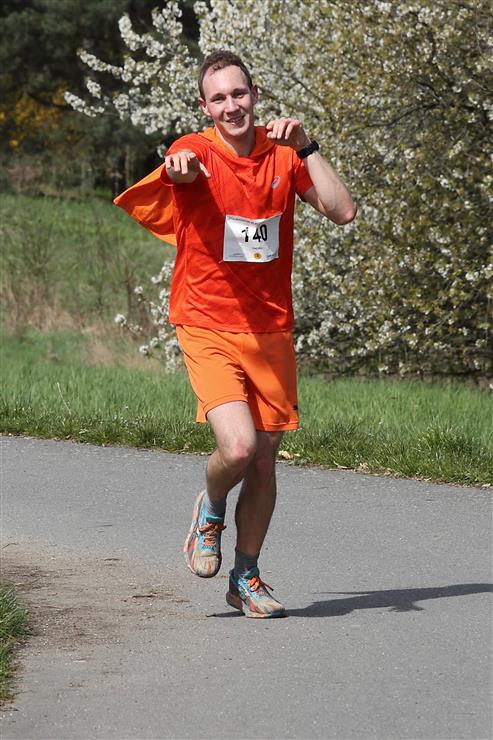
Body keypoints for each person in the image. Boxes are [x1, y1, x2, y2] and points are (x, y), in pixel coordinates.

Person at [117, 49, 356, 618]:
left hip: (270, 327)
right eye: (219, 98)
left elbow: (343, 211)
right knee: (240, 447)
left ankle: (245, 576)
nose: (232, 106)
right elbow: (179, 167)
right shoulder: (195, 150)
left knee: (266, 460)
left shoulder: (284, 154)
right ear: (206, 107)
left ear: (255, 95)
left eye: (239, 93)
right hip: (206, 322)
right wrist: (179, 169)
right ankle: (211, 506)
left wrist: (308, 147)